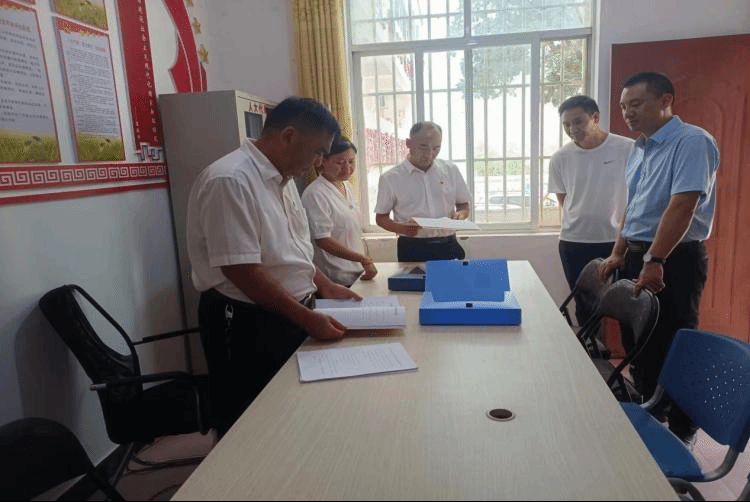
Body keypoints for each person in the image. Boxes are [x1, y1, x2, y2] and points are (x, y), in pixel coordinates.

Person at [186, 97, 361, 436]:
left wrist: (325, 285)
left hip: (289, 311)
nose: (319, 162)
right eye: (318, 152)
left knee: (288, 416)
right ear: (288, 136)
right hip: (245, 320)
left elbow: (293, 250)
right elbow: (242, 272)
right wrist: (306, 318)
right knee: (247, 422)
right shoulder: (231, 180)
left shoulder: (284, 178)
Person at [600, 72, 720, 446]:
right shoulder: (640, 148)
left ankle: (684, 430)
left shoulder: (692, 141)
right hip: (640, 255)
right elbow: (634, 206)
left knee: (676, 343)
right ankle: (650, 412)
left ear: (665, 100)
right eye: (623, 107)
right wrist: (618, 252)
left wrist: (656, 259)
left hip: (673, 259)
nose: (627, 113)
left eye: (636, 104)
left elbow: (683, 205)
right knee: (641, 342)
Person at [548, 95, 634, 326]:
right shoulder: (560, 158)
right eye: (566, 124)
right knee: (585, 307)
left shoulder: (627, 148)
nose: (572, 129)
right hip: (574, 242)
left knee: (626, 307)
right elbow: (564, 200)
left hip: (617, 242)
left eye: (578, 122)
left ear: (595, 117)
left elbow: (638, 196)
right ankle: (589, 347)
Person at [374, 121, 471, 262]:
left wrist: (461, 215)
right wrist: (403, 229)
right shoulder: (391, 178)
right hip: (412, 246)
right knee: (414, 278)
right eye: (423, 147)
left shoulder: (450, 170)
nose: (430, 154)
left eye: (436, 148)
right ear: (408, 143)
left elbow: (464, 205)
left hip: (448, 244)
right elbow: (381, 218)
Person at [301, 135, 377, 287]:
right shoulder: (315, 194)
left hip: (355, 272)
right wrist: (361, 258)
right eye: (340, 163)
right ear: (323, 161)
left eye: (351, 161)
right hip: (334, 277)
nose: (347, 168)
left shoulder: (345, 186)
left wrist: (360, 260)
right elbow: (323, 240)